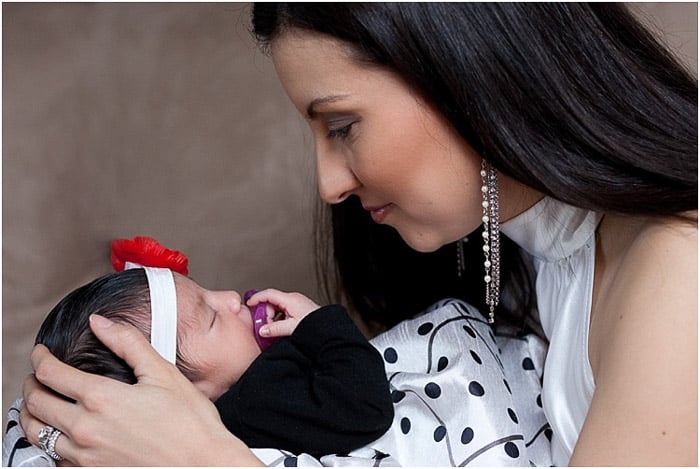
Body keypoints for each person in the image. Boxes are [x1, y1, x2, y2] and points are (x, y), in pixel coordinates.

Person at [19, 3, 697, 466]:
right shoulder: (552, 253)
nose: (328, 184)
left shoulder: (678, 277)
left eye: (342, 127)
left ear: (467, 71)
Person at [4, 238, 393, 465]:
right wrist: (321, 325)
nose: (231, 299)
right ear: (179, 392)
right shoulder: (257, 401)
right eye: (210, 317)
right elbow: (365, 408)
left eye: (209, 292)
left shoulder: (245, 393)